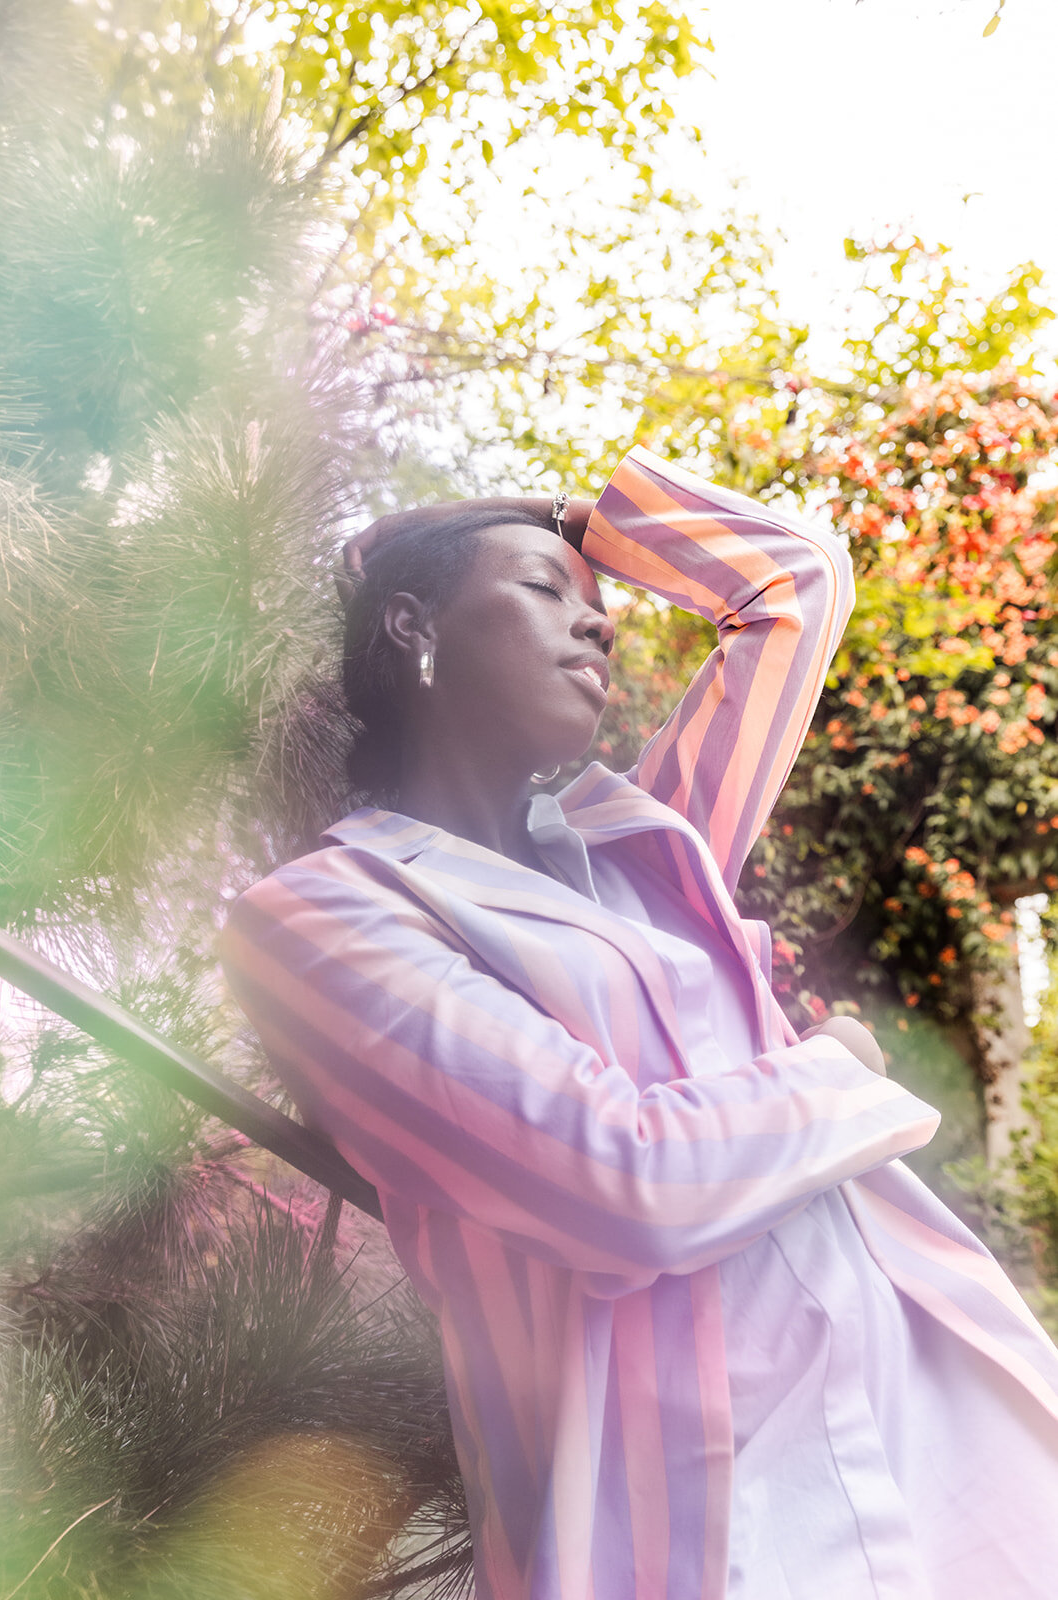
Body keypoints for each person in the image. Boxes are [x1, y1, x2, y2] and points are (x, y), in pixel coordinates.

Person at [221, 446, 1058, 1600]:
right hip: (702, 1527)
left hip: (948, 1434)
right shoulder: (323, 918)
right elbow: (618, 1182)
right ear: (412, 627)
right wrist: (836, 1067)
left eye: (600, 608)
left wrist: (577, 522)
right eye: (541, 592)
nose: (598, 627)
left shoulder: (648, 846)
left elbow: (792, 583)